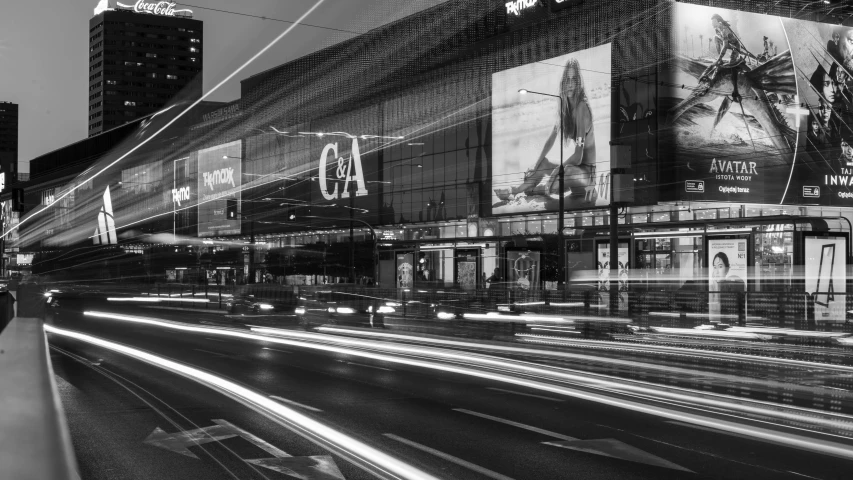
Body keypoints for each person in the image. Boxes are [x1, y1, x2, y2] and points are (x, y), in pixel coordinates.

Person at [512, 57, 597, 202]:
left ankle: (538, 190)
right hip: (575, 172)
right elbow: (550, 140)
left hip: (587, 175)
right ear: (563, 82)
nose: (570, 84)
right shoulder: (565, 108)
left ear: (578, 82)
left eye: (573, 79)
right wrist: (537, 164)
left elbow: (578, 156)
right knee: (544, 163)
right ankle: (516, 190)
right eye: (567, 79)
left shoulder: (581, 108)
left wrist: (557, 170)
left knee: (566, 171)